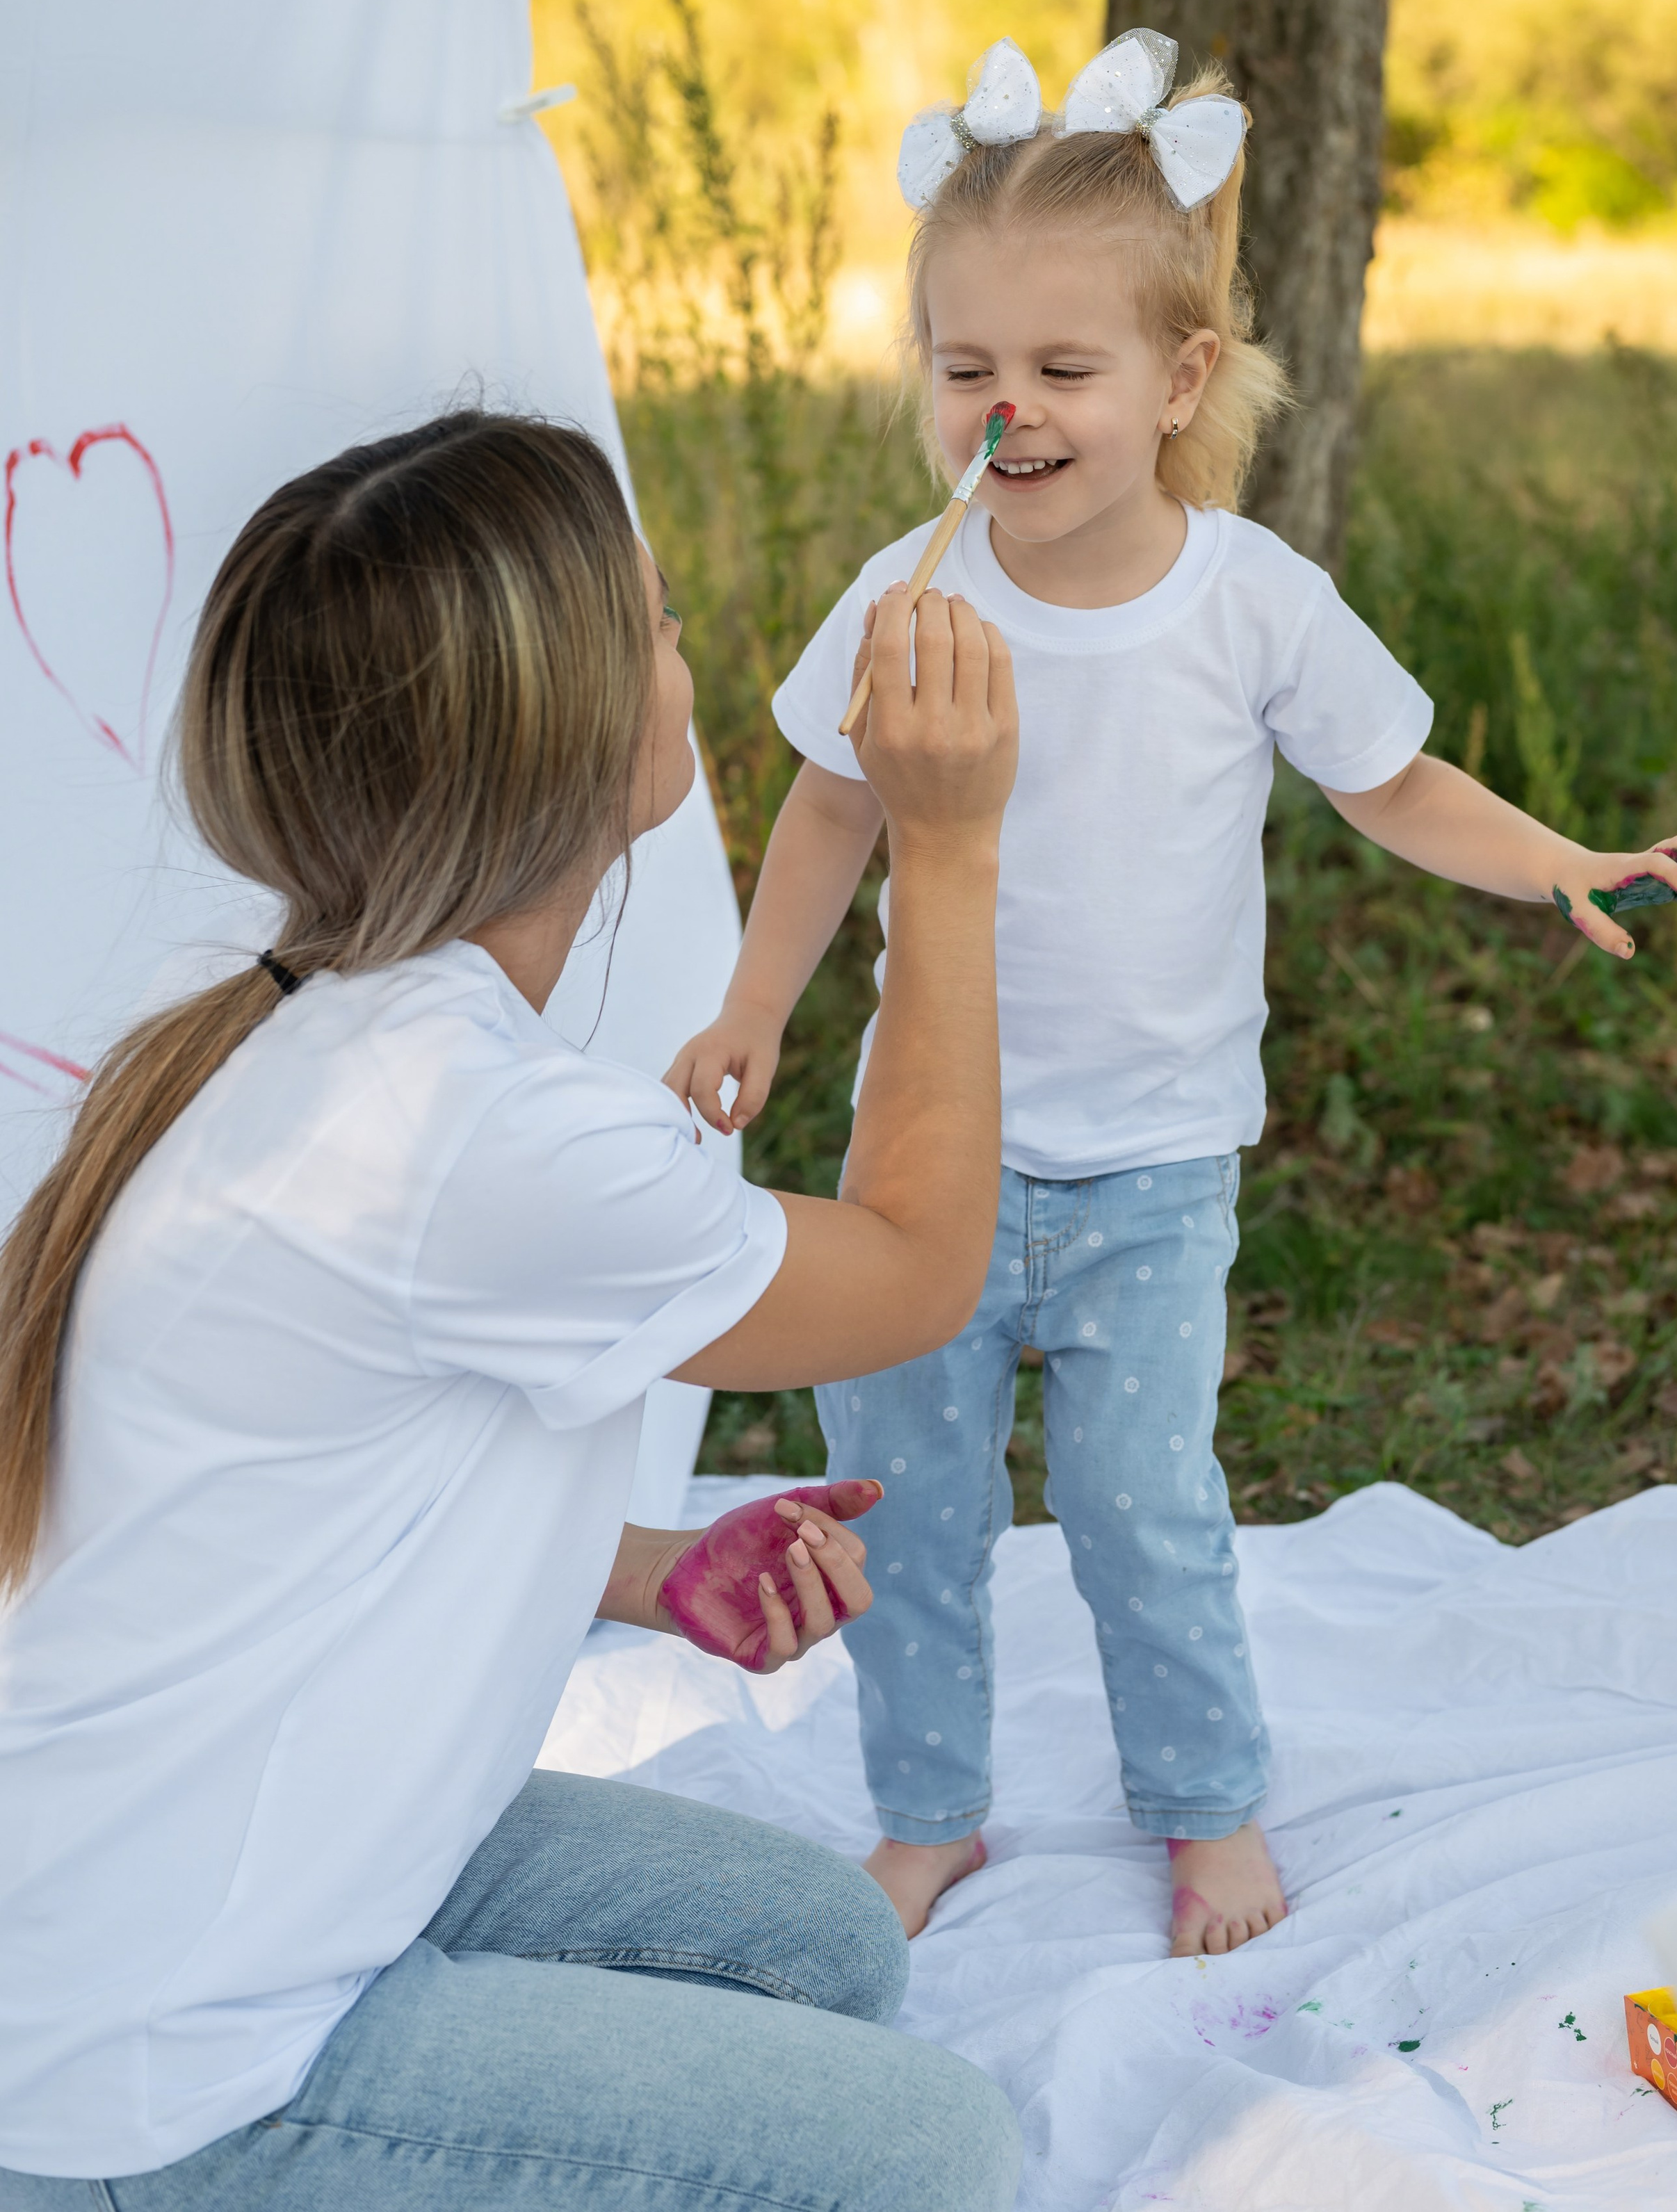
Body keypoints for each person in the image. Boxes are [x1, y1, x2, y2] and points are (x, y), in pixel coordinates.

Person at [667, 29, 1677, 1959]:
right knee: (905, 1507)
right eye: (967, 368)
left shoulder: (1248, 600)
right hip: (922, 1174)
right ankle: (928, 1810)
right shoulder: (908, 601)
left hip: (1154, 1174)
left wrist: (1560, 858)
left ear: (1179, 378)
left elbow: (1394, 780)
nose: (1011, 411)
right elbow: (828, 813)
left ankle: (1204, 1798)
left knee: (1149, 1512)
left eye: (1063, 371)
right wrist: (754, 1007)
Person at [0, 412, 1023, 2211]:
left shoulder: (296, 1018)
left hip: (202, 1867)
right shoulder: (477, 1134)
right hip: (162, 2062)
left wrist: (640, 1571)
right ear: (563, 739)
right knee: (935, 2160)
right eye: (659, 623)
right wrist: (944, 850)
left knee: (823, 1952)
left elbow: (312, 1483)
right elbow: (923, 1266)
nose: (683, 651)